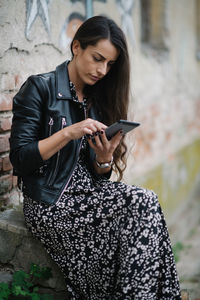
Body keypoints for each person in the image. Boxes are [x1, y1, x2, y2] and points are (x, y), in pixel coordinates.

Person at [9, 15, 181, 300]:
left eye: (110, 64)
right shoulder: (40, 88)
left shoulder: (96, 98)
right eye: (97, 58)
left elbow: (98, 174)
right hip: (50, 202)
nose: (102, 70)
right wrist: (68, 133)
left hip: (88, 195)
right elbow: (20, 159)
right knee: (142, 207)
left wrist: (103, 159)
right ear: (77, 47)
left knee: (144, 202)